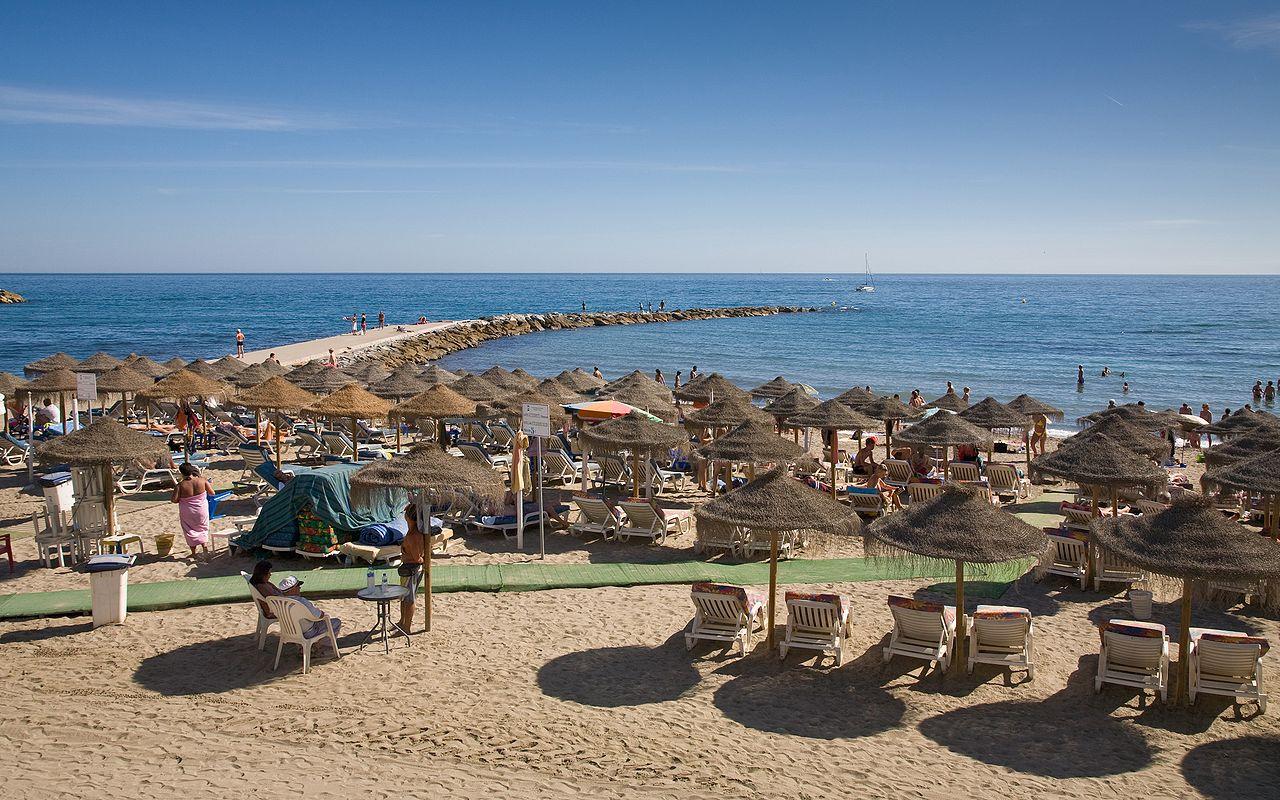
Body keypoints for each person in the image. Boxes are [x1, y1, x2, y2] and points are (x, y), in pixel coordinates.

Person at [249, 560, 341, 642]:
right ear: (292, 589)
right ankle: (320, 646)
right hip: (307, 632)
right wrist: (324, 615)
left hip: (289, 628)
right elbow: (318, 616)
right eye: (298, 586)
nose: (299, 587)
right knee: (335, 622)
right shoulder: (299, 602)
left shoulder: (278, 600)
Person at [170, 462, 214, 559]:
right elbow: (212, 493)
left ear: (182, 473)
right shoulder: (202, 481)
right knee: (203, 527)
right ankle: (205, 547)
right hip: (201, 509)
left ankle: (193, 552)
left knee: (189, 529)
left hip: (187, 510)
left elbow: (174, 500)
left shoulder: (180, 485)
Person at [397, 504, 426, 634]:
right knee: (404, 597)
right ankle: (402, 622)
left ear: (409, 517)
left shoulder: (413, 536)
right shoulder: (412, 532)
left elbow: (416, 557)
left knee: (409, 599)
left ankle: (406, 627)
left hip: (412, 569)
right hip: (408, 568)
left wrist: (423, 560)